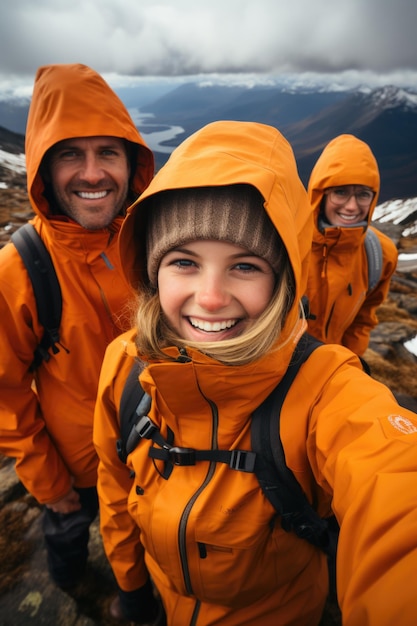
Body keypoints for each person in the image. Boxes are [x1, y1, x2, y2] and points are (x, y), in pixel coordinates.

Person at [93, 120, 417, 626]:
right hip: (161, 599)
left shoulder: (324, 392)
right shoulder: (127, 365)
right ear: (151, 271)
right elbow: (115, 486)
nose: (212, 297)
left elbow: (396, 483)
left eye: (245, 266)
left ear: (284, 282)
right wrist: (130, 583)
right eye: (184, 261)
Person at [0, 63, 154, 597]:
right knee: (68, 532)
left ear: (131, 161)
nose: (92, 174)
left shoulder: (151, 241)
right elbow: (7, 392)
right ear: (42, 168)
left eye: (108, 152)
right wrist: (50, 485)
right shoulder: (21, 269)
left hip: (157, 450)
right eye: (70, 153)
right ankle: (71, 587)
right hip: (78, 465)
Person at [305, 134, 398, 356]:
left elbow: (362, 321)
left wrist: (350, 363)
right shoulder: (287, 242)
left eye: (363, 195)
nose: (351, 206)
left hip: (332, 371)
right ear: (321, 193)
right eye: (340, 192)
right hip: (277, 372)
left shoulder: (380, 254)